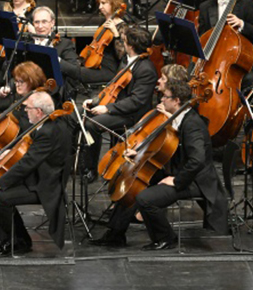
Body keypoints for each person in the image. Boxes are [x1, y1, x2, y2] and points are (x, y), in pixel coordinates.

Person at [89, 77, 227, 250]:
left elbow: (197, 160)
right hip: (179, 171)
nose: (161, 99)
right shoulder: (179, 117)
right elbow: (165, 148)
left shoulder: (192, 124)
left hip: (195, 180)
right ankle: (115, 235)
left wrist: (176, 181)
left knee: (145, 199)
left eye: (165, 97)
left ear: (176, 101)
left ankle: (165, 238)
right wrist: (139, 152)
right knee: (133, 186)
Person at [0, 90, 72, 255]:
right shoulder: (52, 124)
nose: (25, 110)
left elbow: (28, 163)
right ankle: (14, 238)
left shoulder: (48, 132)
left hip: (45, 186)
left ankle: (19, 242)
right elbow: (32, 155)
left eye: (28, 108)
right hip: (39, 177)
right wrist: (9, 153)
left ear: (39, 111)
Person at [82, 25, 158, 168]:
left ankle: (89, 168)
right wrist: (96, 100)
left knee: (92, 124)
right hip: (119, 105)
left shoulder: (146, 69)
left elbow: (136, 101)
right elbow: (114, 85)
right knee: (81, 115)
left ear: (130, 45)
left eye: (124, 41)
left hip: (132, 114)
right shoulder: (126, 59)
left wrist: (108, 108)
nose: (122, 43)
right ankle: (80, 160)